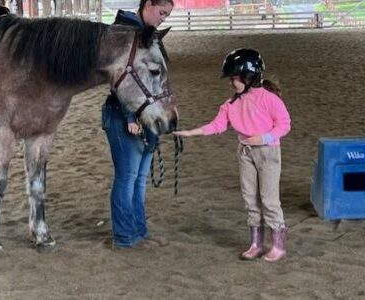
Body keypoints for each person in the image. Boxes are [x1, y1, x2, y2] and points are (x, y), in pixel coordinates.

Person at [173, 49, 291, 262]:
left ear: (249, 77)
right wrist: (192, 132)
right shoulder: (231, 105)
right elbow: (218, 125)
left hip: (267, 152)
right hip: (245, 152)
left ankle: (278, 244)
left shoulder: (269, 99)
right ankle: (255, 243)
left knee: (269, 198)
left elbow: (284, 124)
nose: (231, 83)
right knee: (249, 197)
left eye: (235, 79)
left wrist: (264, 138)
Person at [101, 0, 174, 249]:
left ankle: (139, 231)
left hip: (146, 112)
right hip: (125, 115)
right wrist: (131, 117)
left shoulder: (147, 34)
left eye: (167, 14)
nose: (163, 18)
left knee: (139, 178)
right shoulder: (123, 31)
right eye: (162, 12)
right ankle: (124, 236)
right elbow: (118, 79)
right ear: (148, 4)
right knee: (128, 177)